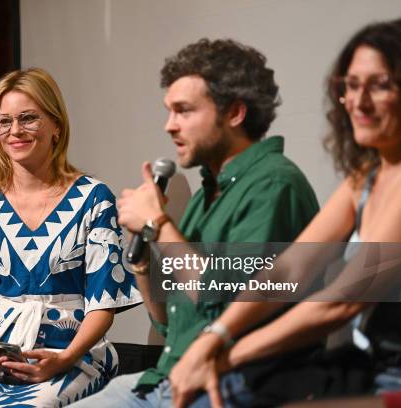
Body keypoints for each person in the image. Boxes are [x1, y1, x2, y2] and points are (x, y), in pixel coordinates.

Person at [70, 39, 319, 407]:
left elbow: (225, 304)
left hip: (230, 383)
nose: (170, 126)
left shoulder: (273, 185)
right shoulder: (209, 190)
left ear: (234, 112)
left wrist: (157, 221)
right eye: (169, 111)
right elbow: (172, 323)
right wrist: (143, 259)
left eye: (184, 111)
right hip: (166, 375)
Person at [168, 19, 401, 408]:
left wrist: (222, 354)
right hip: (368, 365)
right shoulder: (365, 178)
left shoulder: (275, 181)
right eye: (351, 85)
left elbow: (342, 301)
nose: (359, 102)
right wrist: (215, 337)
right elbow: (289, 269)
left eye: (379, 85)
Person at [0, 68, 142, 407]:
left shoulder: (93, 197)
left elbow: (103, 303)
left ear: (56, 125)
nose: (15, 131)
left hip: (72, 354)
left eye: (28, 118)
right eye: (4, 121)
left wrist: (66, 356)